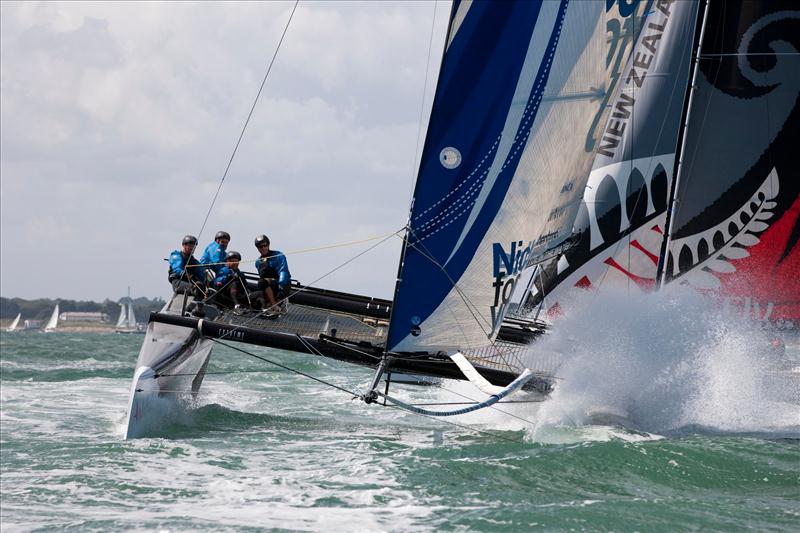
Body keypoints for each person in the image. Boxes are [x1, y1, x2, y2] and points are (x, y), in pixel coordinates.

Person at [253, 234, 291, 315]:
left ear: (268, 245)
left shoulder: (278, 255)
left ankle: (276, 305)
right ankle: (272, 306)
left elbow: (283, 270)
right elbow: (262, 277)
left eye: (264, 245)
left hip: (282, 284)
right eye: (260, 247)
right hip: (269, 286)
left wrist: (281, 286)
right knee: (261, 282)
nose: (263, 248)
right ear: (257, 248)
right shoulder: (258, 262)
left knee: (265, 282)